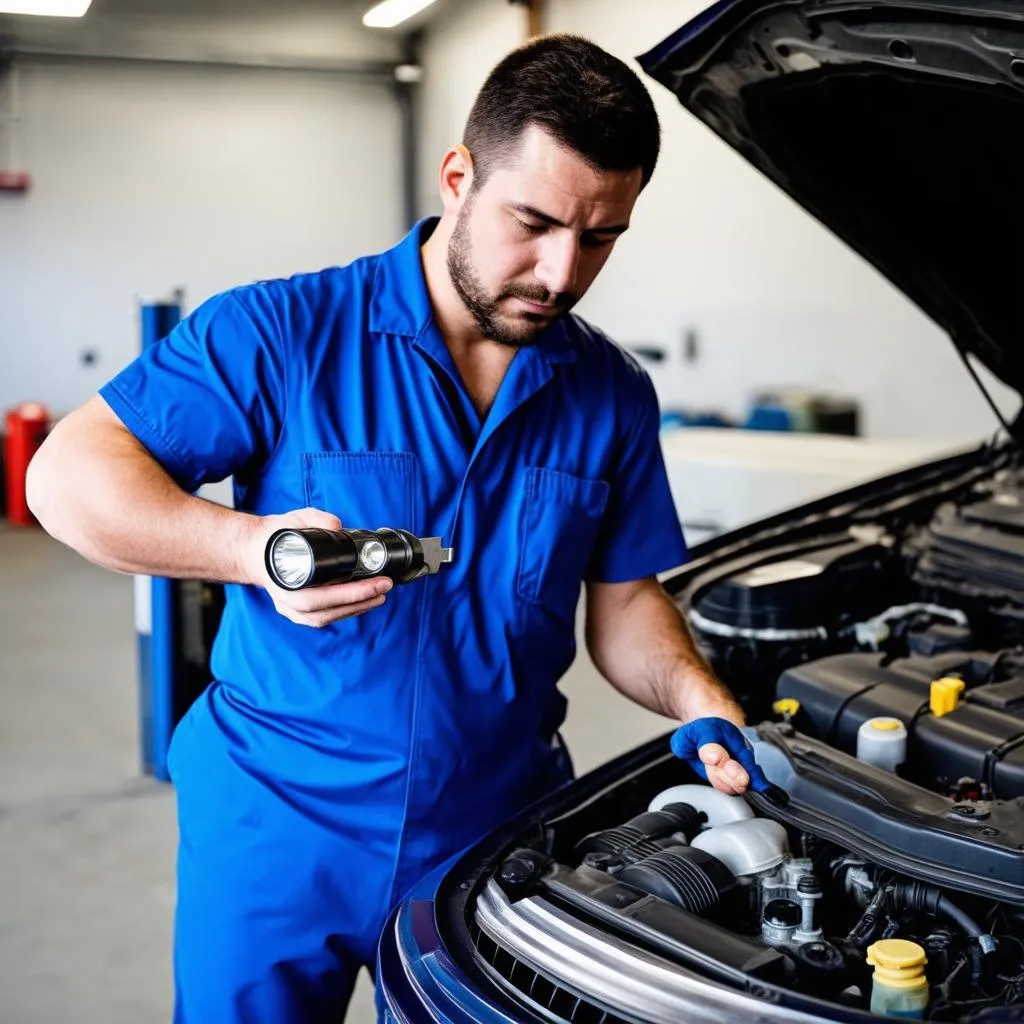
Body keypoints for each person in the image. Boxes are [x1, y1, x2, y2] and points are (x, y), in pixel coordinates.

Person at [27, 33, 767, 1024]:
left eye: (599, 238)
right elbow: (67, 477)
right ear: (458, 175)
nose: (559, 272)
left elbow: (625, 598)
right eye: (533, 222)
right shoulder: (284, 332)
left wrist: (696, 694)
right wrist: (251, 550)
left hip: (492, 829)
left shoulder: (611, 393)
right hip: (277, 817)